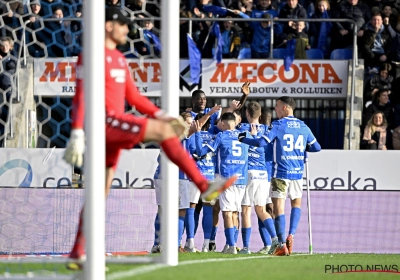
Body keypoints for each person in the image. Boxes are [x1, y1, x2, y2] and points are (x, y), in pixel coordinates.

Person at [63, 7, 236, 269]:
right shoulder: (91, 56)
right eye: (123, 25)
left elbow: (134, 98)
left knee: (100, 193)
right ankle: (203, 185)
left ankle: (77, 251)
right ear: (109, 26)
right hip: (103, 123)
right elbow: (80, 96)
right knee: (163, 133)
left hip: (113, 130)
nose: (127, 31)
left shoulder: (120, 60)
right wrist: (76, 131)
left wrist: (164, 114)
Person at [238, 96, 321, 256]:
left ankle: (281, 244)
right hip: (297, 173)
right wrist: (304, 149)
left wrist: (245, 139)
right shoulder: (303, 127)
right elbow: (316, 147)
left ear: (285, 107)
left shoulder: (278, 125)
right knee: (296, 204)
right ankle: (292, 235)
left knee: (279, 208)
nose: (275, 109)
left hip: (280, 173)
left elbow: (262, 143)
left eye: (277, 106)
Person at [194, 112, 249, 254]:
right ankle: (232, 244)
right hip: (242, 179)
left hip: (225, 179)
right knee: (236, 213)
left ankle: (231, 246)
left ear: (223, 123)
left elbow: (201, 152)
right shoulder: (245, 135)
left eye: (219, 124)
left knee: (227, 213)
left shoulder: (221, 136)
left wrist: (198, 134)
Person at [237, 102, 278, 255]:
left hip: (248, 173)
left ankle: (246, 247)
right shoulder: (268, 130)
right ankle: (275, 240)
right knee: (261, 209)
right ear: (260, 115)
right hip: (263, 174)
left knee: (246, 210)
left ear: (247, 114)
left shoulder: (241, 129)